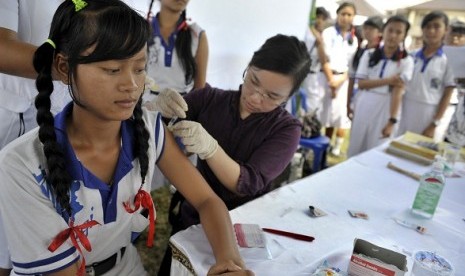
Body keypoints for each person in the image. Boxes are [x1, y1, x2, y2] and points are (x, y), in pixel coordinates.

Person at [0, 1, 253, 275]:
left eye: (140, 68)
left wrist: (228, 261)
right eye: (112, 70)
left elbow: (206, 200)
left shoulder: (148, 128)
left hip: (125, 266)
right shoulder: (20, 166)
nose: (131, 85)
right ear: (63, 68)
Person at [151, 34, 311, 275]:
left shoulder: (286, 130)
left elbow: (246, 183)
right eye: (253, 81)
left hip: (242, 234)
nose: (255, 98)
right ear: (248, 66)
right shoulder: (209, 99)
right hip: (192, 219)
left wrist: (211, 149)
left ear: (289, 97)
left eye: (272, 96)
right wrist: (159, 108)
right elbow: (158, 124)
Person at [144, 0, 209, 190]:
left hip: (181, 112)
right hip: (145, 110)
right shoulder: (141, 29)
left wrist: (191, 125)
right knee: (144, 178)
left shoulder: (197, 35)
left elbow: (200, 91)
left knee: (181, 184)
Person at [348, 15, 414, 157]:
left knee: (376, 150)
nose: (393, 35)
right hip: (364, 103)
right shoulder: (369, 55)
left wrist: (392, 120)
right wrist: (389, 80)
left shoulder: (406, 61)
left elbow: (398, 90)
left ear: (404, 36)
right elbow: (361, 84)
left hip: (387, 107)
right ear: (383, 31)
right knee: (356, 146)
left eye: (398, 32)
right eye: (390, 30)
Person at [398, 11, 456, 141]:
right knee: (398, 147)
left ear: (446, 30)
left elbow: (448, 93)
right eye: (427, 26)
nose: (431, 31)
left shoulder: (448, 59)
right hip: (406, 108)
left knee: (419, 153)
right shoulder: (411, 56)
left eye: (436, 27)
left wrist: (435, 123)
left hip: (429, 113)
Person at [319, 2, 358, 157]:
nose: (345, 17)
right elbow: (324, 59)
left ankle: (337, 146)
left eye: (349, 15)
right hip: (327, 78)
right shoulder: (328, 33)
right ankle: (326, 144)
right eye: (343, 14)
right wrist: (332, 82)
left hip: (344, 80)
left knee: (341, 116)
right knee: (327, 115)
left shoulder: (354, 39)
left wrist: (340, 80)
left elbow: (352, 65)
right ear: (337, 15)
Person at [347, 16, 383, 119]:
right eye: (365, 28)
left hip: (376, 101)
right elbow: (351, 79)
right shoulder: (359, 52)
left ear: (380, 32)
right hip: (358, 98)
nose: (367, 31)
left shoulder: (382, 54)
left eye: (371, 29)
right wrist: (348, 104)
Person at [297, 7, 330, 114]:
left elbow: (324, 60)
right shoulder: (305, 32)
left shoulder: (324, 36)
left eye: (323, 18)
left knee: (310, 107)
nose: (319, 20)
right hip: (300, 73)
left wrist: (319, 41)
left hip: (313, 76)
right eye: (318, 17)